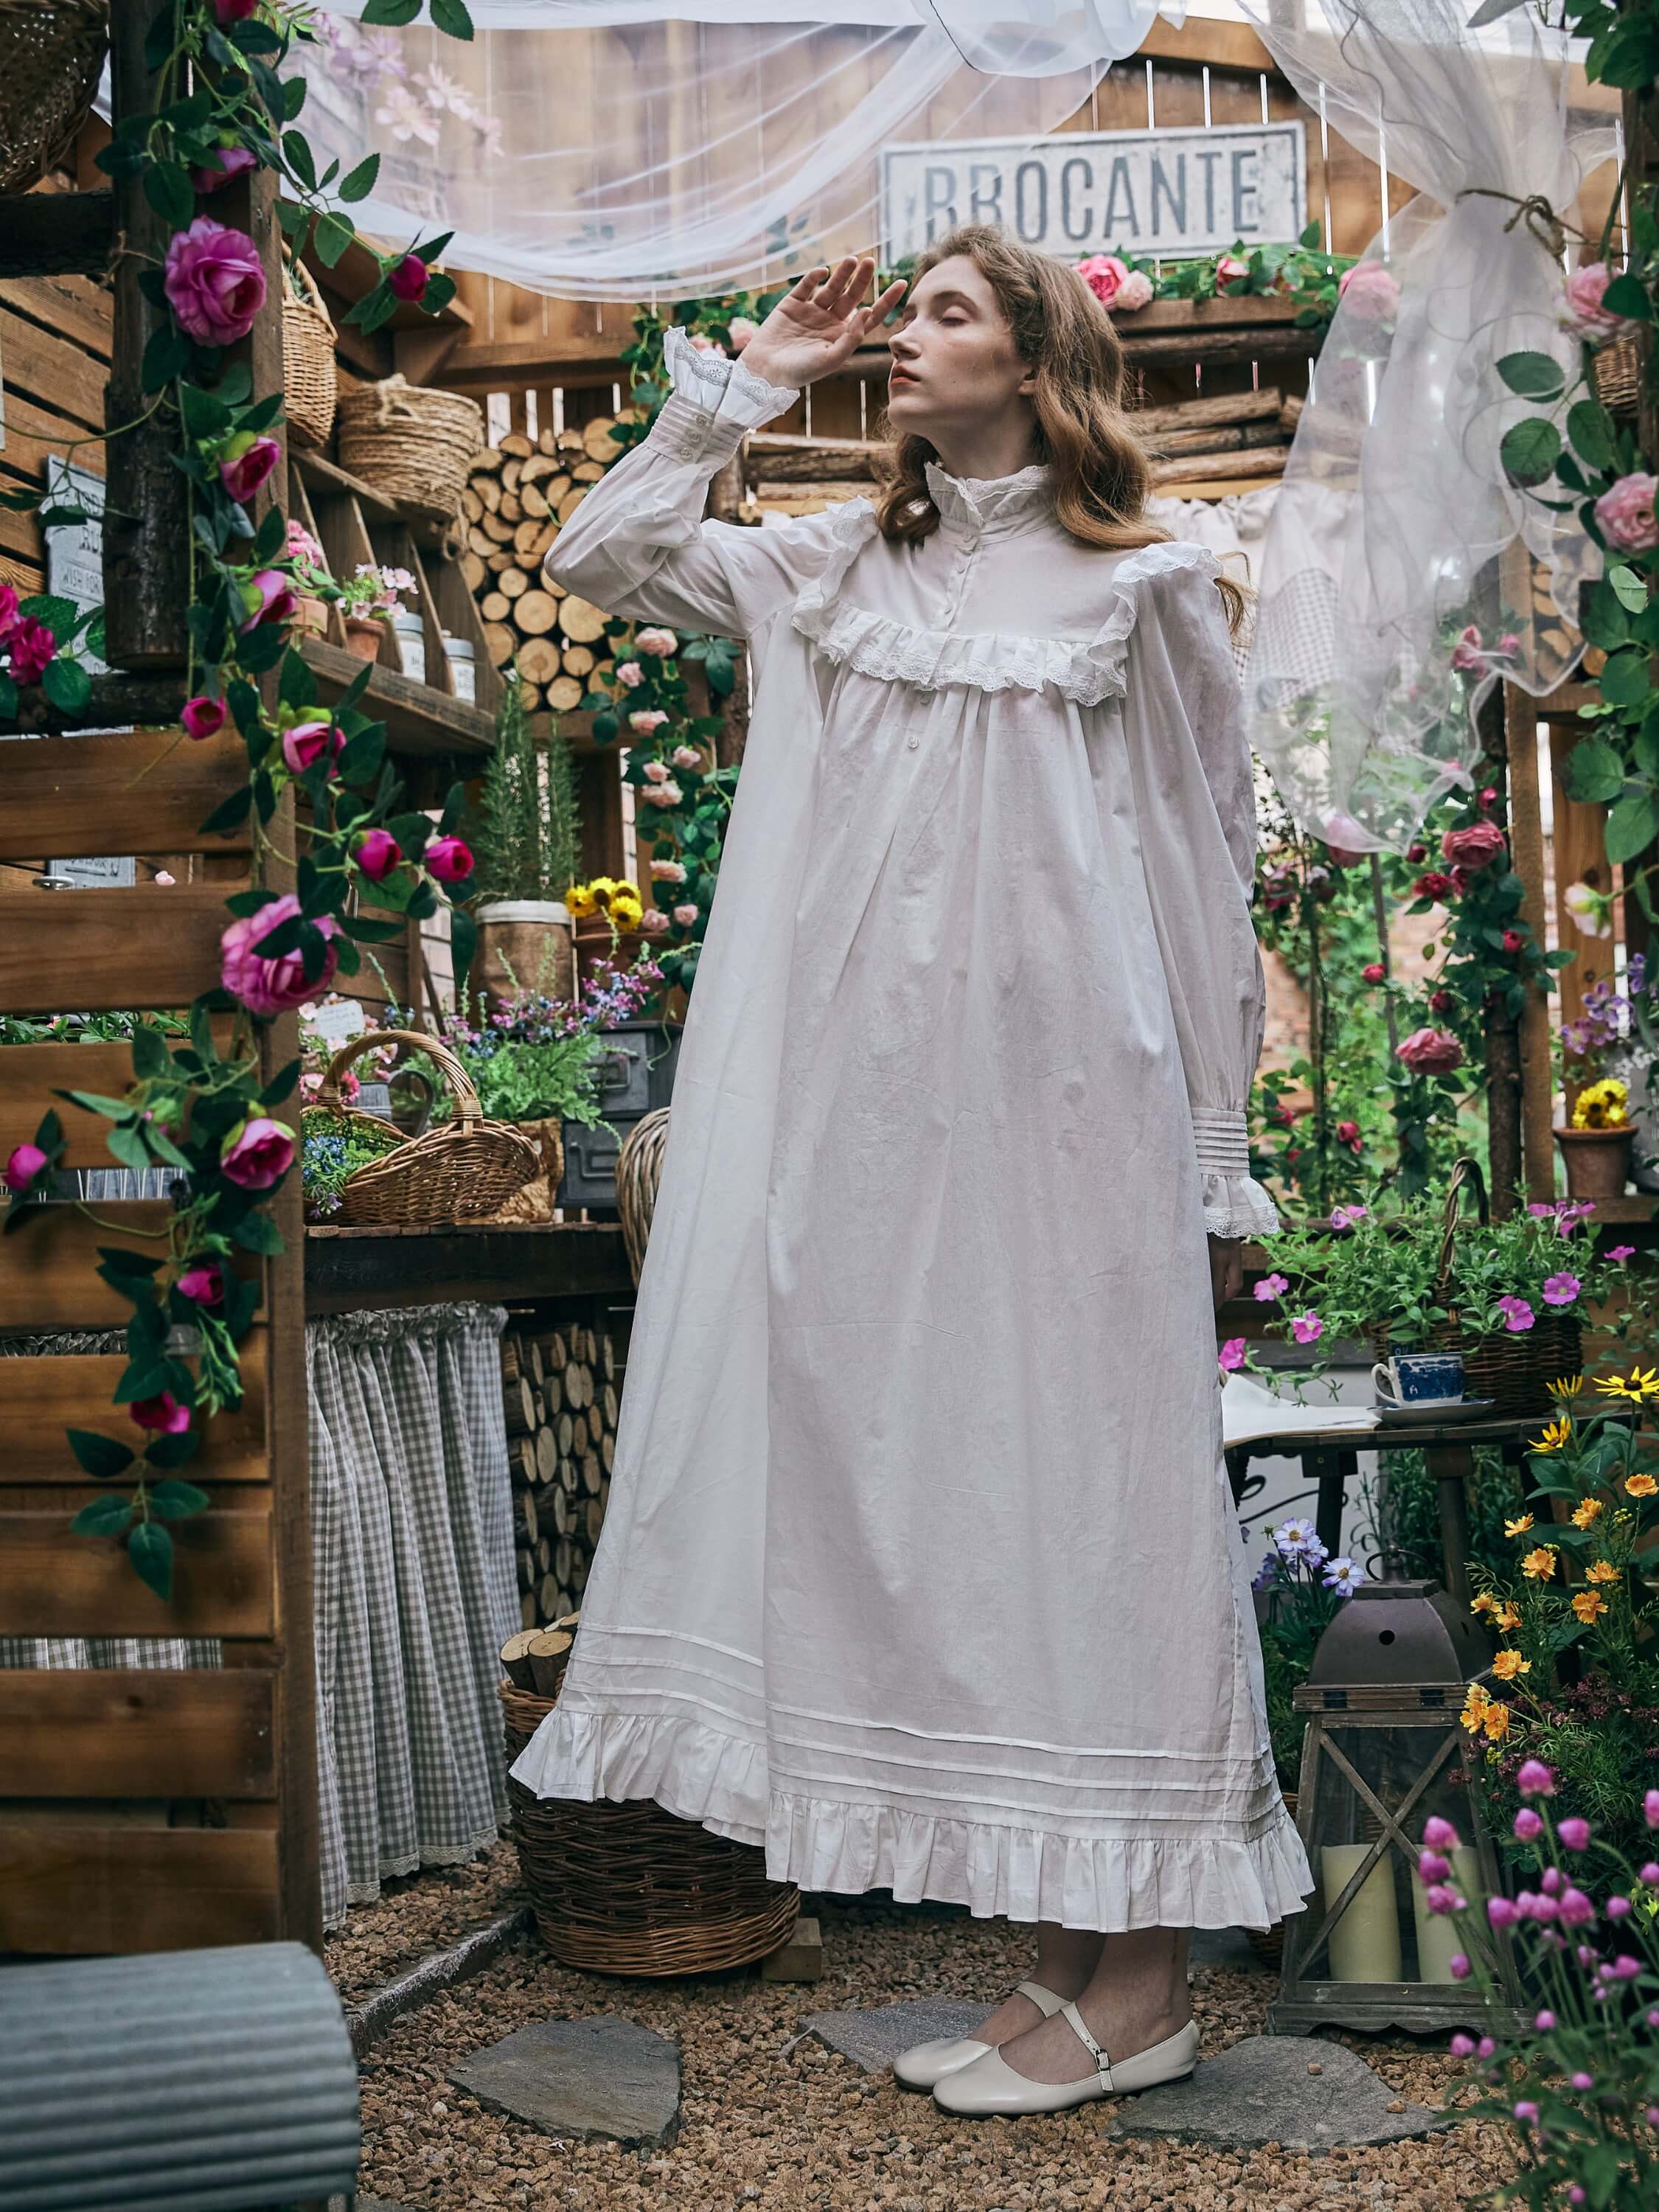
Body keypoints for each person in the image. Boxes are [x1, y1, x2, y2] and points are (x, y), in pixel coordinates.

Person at [510, 224, 1312, 2116]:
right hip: (877, 1127)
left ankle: (1149, 1980)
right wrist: (751, 384)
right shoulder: (831, 566)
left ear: (1037, 359)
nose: (909, 335)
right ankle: (1064, 1960)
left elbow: (1201, 865)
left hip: (1078, 1115)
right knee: (964, 1515)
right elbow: (597, 557)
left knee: (1102, 1506)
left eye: (950, 312)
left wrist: (1215, 1155)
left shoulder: (1146, 576)